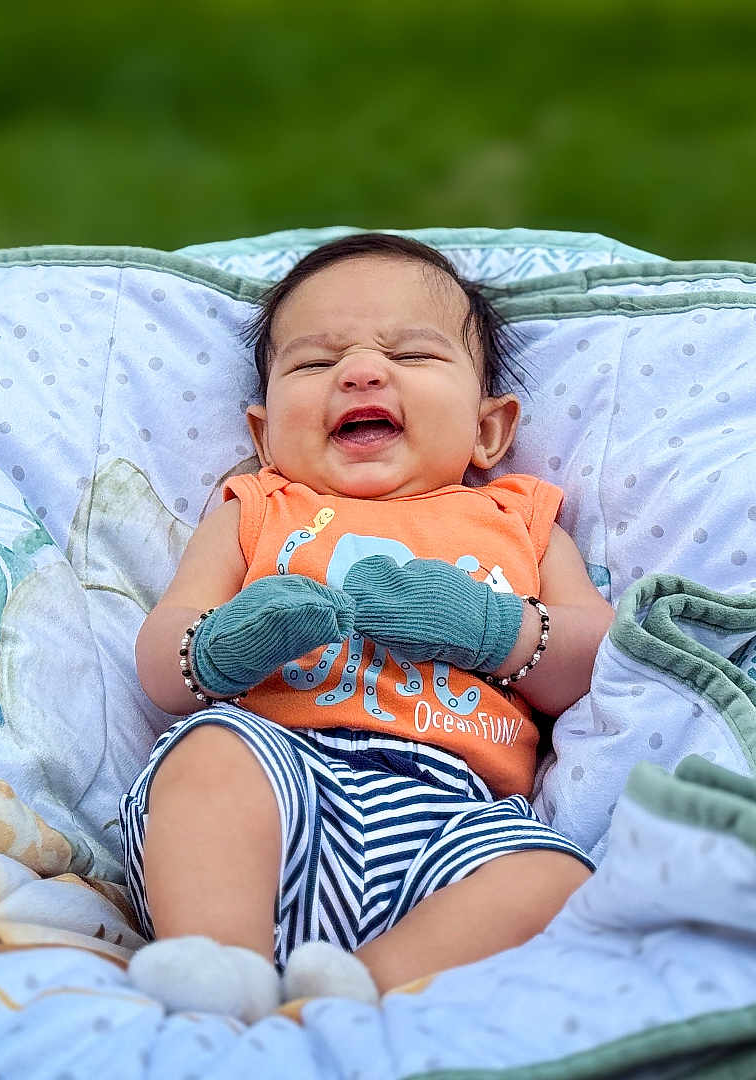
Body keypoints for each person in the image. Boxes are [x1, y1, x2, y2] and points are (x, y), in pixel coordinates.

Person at [120, 233, 616, 1023]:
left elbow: (598, 662)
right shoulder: (256, 510)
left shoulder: (518, 519)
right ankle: (219, 967)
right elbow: (161, 655)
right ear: (262, 435)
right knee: (210, 752)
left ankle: (353, 993)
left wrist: (495, 629)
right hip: (277, 789)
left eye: (411, 356)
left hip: (456, 818)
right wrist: (221, 646)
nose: (359, 371)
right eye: (315, 364)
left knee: (559, 884)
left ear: (490, 430)